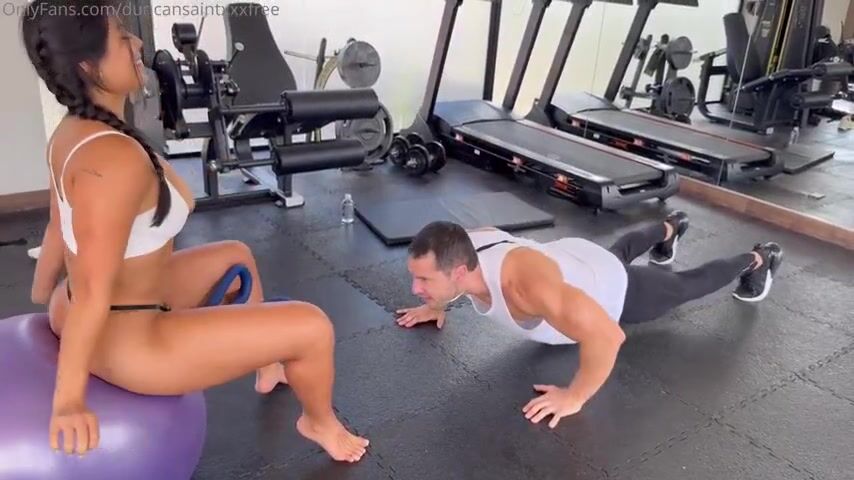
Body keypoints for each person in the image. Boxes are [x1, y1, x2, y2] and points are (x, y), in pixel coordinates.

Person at [22, 0, 367, 462]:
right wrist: (68, 402)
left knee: (236, 255)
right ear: (88, 66)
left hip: (86, 306)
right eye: (122, 36)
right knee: (313, 328)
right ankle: (319, 422)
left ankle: (268, 366)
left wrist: (40, 295)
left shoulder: (73, 130)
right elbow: (91, 293)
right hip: (128, 341)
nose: (137, 43)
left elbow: (57, 223)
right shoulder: (111, 162)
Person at [396, 212, 782, 429]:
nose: (415, 287)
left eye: (424, 281)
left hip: (612, 290)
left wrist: (574, 396)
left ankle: (760, 259)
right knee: (620, 249)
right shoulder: (463, 244)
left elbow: (607, 336)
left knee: (685, 285)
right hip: (573, 258)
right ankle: (670, 226)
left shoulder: (525, 287)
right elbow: (448, 265)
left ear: (459, 272)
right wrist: (435, 304)